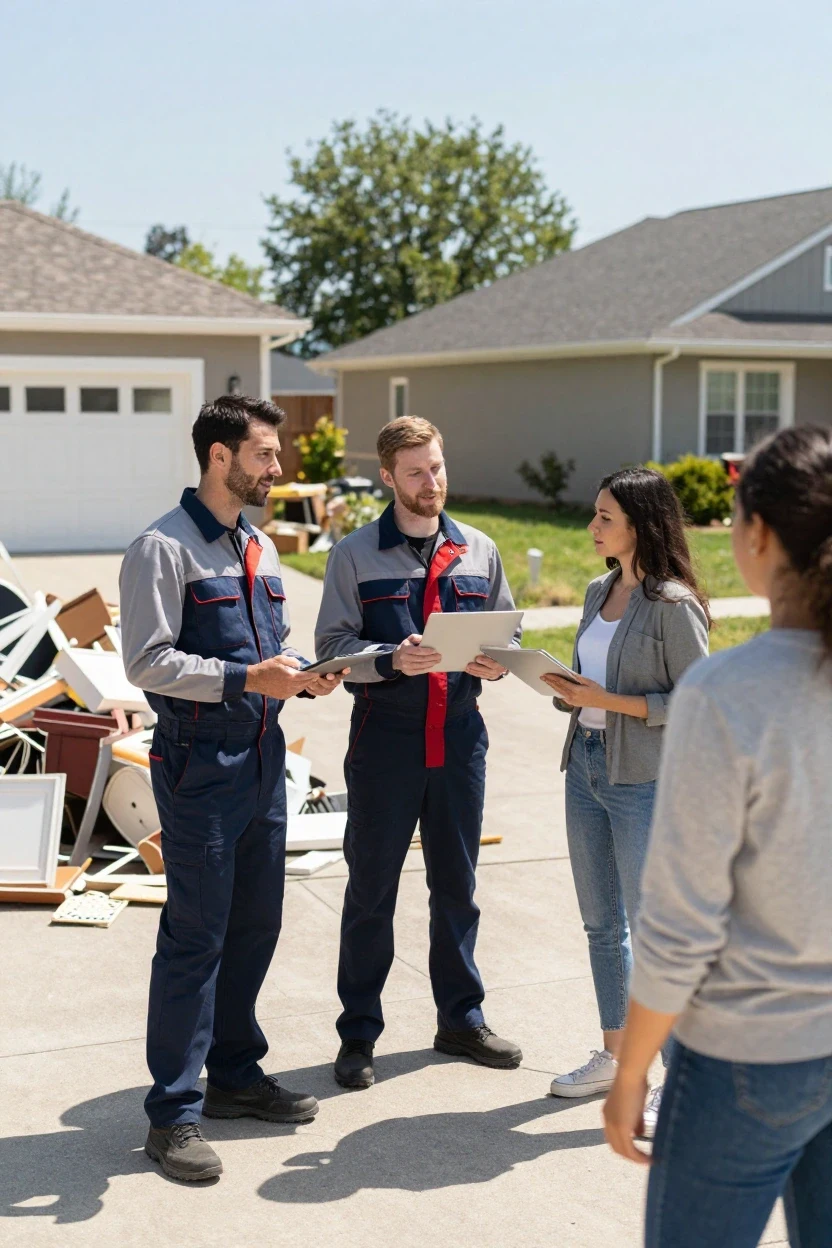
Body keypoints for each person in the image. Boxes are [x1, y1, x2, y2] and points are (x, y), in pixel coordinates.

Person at [604, 426, 832, 1248]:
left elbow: (679, 922)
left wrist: (631, 1070)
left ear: (760, 534)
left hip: (746, 1057)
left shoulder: (726, 694)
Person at [120, 395, 345, 1182]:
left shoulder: (259, 548)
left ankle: (236, 1077)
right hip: (199, 763)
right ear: (220, 457)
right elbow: (145, 662)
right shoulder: (163, 549)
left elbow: (270, 649)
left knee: (255, 925)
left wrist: (302, 679)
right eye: (262, 455)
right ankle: (173, 1115)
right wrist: (250, 676)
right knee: (195, 937)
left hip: (262, 756)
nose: (277, 468)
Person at [314, 416, 522, 1090]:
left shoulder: (479, 550)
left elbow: (505, 639)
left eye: (436, 468)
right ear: (387, 478)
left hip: (460, 741)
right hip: (385, 745)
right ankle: (358, 1036)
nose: (430, 483)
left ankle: (460, 1019)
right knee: (371, 892)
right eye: (415, 473)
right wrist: (390, 658)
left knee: (456, 888)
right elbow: (331, 652)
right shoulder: (353, 555)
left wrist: (496, 665)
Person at [542, 468, 709, 1128]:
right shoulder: (596, 590)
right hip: (583, 766)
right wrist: (563, 688)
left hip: (642, 779)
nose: (592, 527)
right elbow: (591, 681)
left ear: (639, 525)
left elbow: (695, 699)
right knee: (600, 924)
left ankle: (678, 1074)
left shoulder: (673, 605)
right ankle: (615, 1057)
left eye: (604, 518)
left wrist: (604, 701)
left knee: (652, 931)